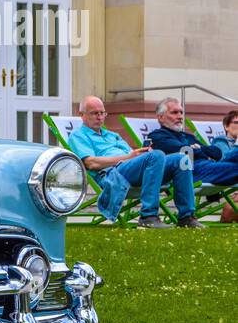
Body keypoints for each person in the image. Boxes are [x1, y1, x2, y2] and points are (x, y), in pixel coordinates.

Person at [67, 95, 200, 228]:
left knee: (182, 158)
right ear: (81, 114)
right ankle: (148, 216)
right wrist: (131, 157)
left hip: (131, 169)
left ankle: (186, 217)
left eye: (102, 113)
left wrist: (141, 154)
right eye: (95, 113)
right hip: (112, 174)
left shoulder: (113, 135)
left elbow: (132, 156)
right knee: (157, 155)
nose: (100, 117)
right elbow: (91, 163)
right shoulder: (78, 136)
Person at [146, 97, 238, 189]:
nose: (180, 116)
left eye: (181, 112)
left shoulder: (187, 136)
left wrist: (199, 149)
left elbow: (216, 152)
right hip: (190, 172)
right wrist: (200, 151)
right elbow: (184, 151)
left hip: (208, 167)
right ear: (160, 117)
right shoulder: (157, 136)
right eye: (174, 112)